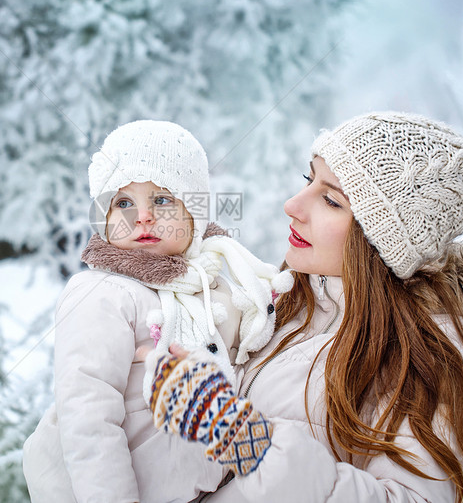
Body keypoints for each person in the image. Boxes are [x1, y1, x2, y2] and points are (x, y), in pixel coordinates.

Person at [143, 111, 463, 502]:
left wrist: (241, 437)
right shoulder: (298, 300)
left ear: (383, 243)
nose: (293, 204)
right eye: (307, 180)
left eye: (331, 200)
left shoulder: (436, 351)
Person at [22, 120, 293, 502]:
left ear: (194, 213)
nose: (143, 217)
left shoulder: (214, 291)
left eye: (162, 200)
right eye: (124, 203)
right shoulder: (102, 293)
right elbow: (88, 419)